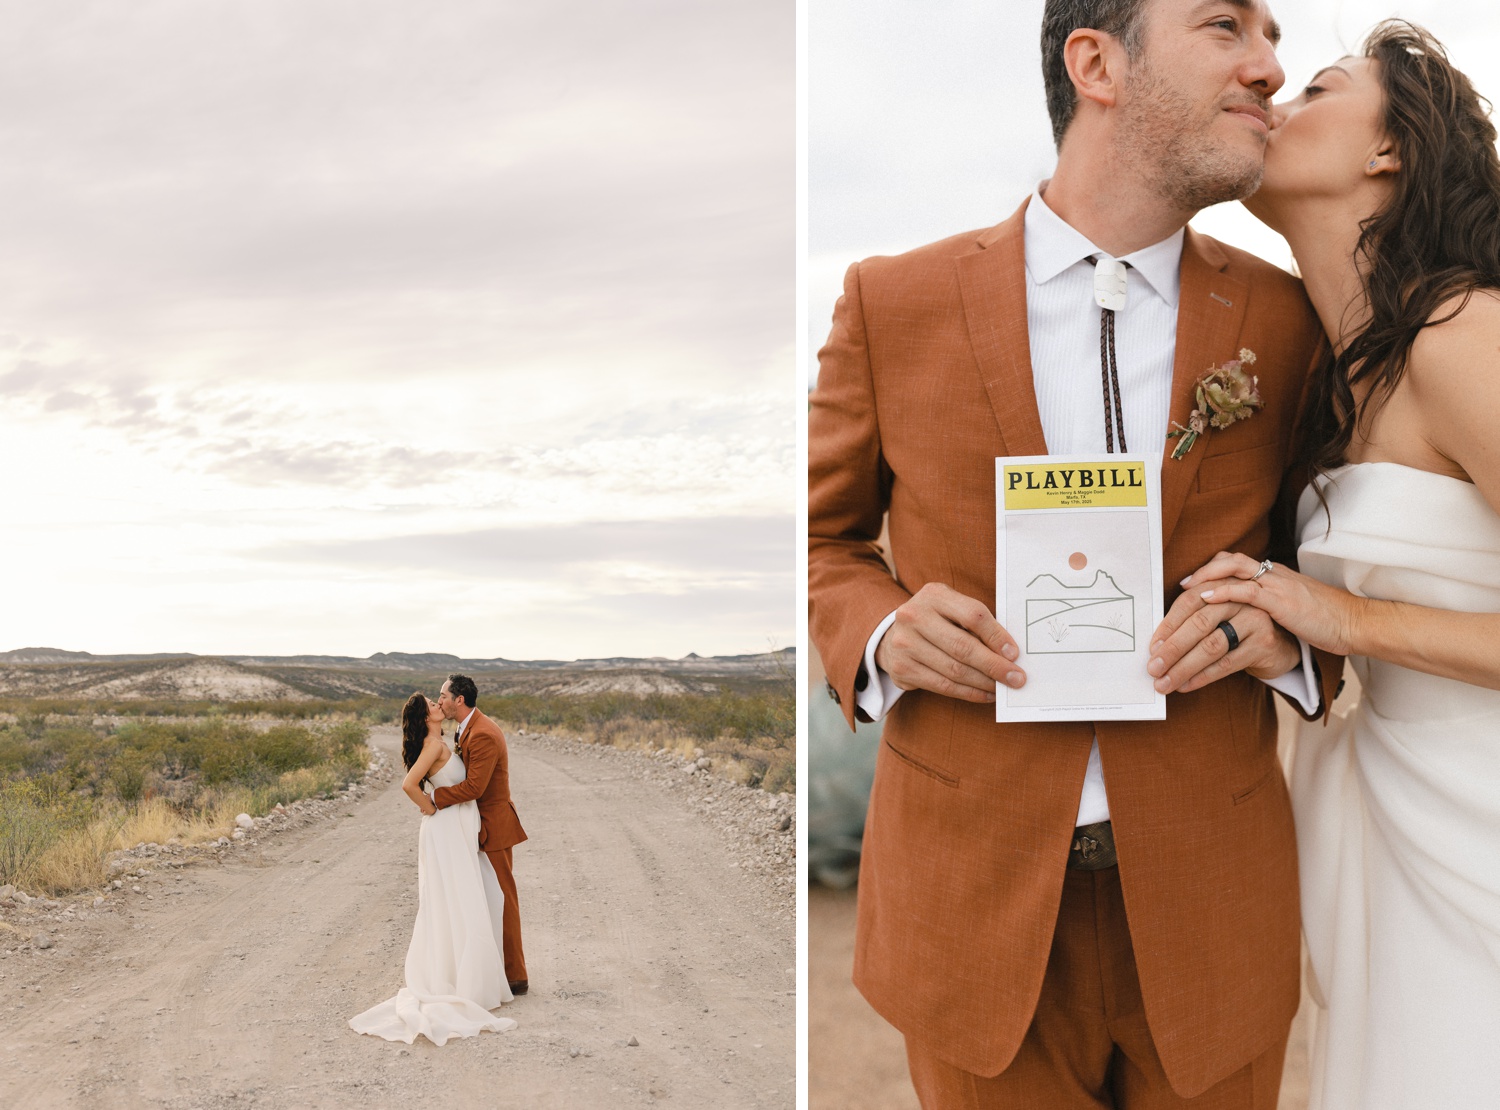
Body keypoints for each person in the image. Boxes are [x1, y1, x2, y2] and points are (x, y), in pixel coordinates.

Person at [807, 0, 1343, 1104]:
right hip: (969, 913)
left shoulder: (1292, 325)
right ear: (1096, 63)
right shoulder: (890, 303)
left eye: (1275, 39)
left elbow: (1335, 578)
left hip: (1211, 917)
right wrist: (884, 631)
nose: (1270, 68)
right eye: (1227, 27)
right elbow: (822, 543)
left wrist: (1278, 631)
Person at [1151, 21, 1500, 1109]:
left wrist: (1344, 622)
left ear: (1388, 151)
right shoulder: (1328, 377)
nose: (1272, 97)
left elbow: (1363, 615)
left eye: (1316, 86)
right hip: (1380, 823)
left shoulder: (1463, 338)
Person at [349, 693, 517, 1044]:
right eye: (432, 703)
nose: (438, 704)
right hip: (445, 829)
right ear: (425, 716)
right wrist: (429, 806)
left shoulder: (443, 740)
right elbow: (409, 784)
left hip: (455, 828)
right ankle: (461, 979)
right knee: (460, 898)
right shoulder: (432, 745)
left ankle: (466, 973)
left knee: (462, 896)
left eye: (439, 699)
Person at [430, 674, 529, 994]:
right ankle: (491, 969)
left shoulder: (484, 732)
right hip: (476, 825)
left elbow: (475, 787)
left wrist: (434, 800)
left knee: (504, 898)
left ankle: (516, 976)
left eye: (443, 695)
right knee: (485, 897)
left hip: (495, 825)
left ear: (459, 700)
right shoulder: (465, 727)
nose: (440, 700)